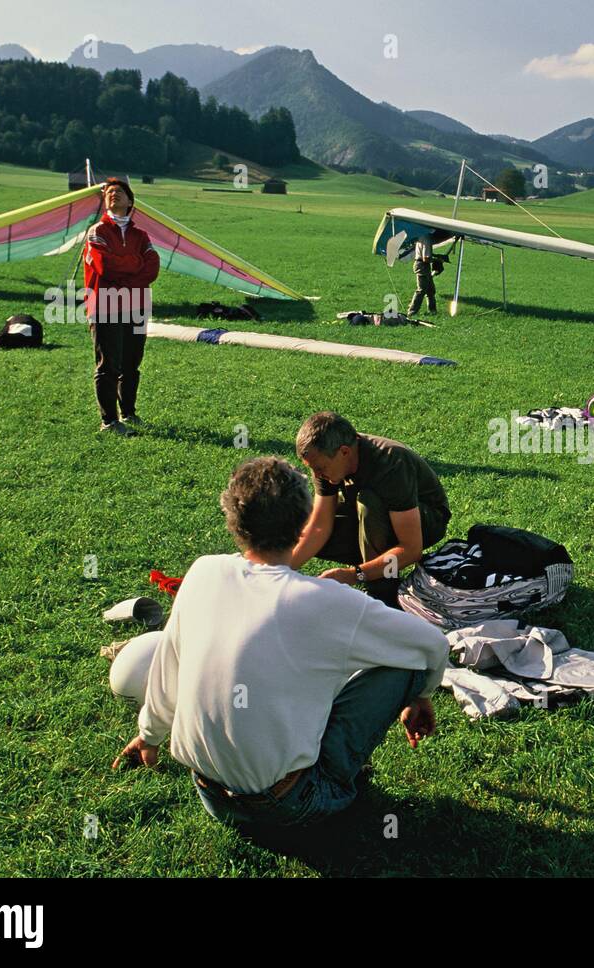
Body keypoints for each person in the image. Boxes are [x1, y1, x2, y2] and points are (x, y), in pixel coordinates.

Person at [111, 456, 447, 832]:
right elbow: (432, 646)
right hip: (291, 806)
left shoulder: (203, 571)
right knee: (404, 664)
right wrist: (420, 695)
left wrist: (149, 736)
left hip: (209, 795)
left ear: (233, 522)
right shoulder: (326, 601)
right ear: (304, 523)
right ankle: (338, 781)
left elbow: (167, 667)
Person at [290, 411, 450, 607]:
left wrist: (354, 574)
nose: (316, 475)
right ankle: (374, 562)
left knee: (368, 502)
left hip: (425, 520)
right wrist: (283, 569)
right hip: (372, 514)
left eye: (320, 468)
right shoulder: (326, 460)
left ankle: (383, 593)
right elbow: (318, 527)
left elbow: (410, 548)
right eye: (312, 468)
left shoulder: (390, 463)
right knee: (299, 523)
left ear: (345, 452)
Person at [83, 177, 159, 437]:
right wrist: (135, 263)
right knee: (108, 366)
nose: (113, 194)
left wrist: (125, 267)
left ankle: (128, 412)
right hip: (105, 306)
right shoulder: (97, 232)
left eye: (119, 191)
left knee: (131, 363)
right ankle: (109, 421)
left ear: (130, 201)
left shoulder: (141, 235)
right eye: (109, 192)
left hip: (136, 306)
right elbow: (105, 267)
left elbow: (152, 269)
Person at [407, 232, 437, 315]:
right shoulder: (427, 238)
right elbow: (426, 258)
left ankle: (432, 310)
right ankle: (412, 311)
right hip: (422, 266)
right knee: (421, 289)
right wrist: (436, 260)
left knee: (430, 290)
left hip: (422, 265)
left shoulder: (422, 235)